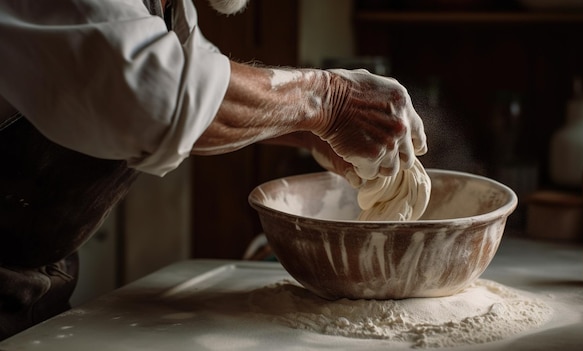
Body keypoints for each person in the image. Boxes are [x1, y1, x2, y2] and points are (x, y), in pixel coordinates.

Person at [0, 0, 427, 339]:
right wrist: (328, 101)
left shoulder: (166, 6)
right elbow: (161, 94)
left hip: (33, 286)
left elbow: (201, 86)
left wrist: (298, 127)